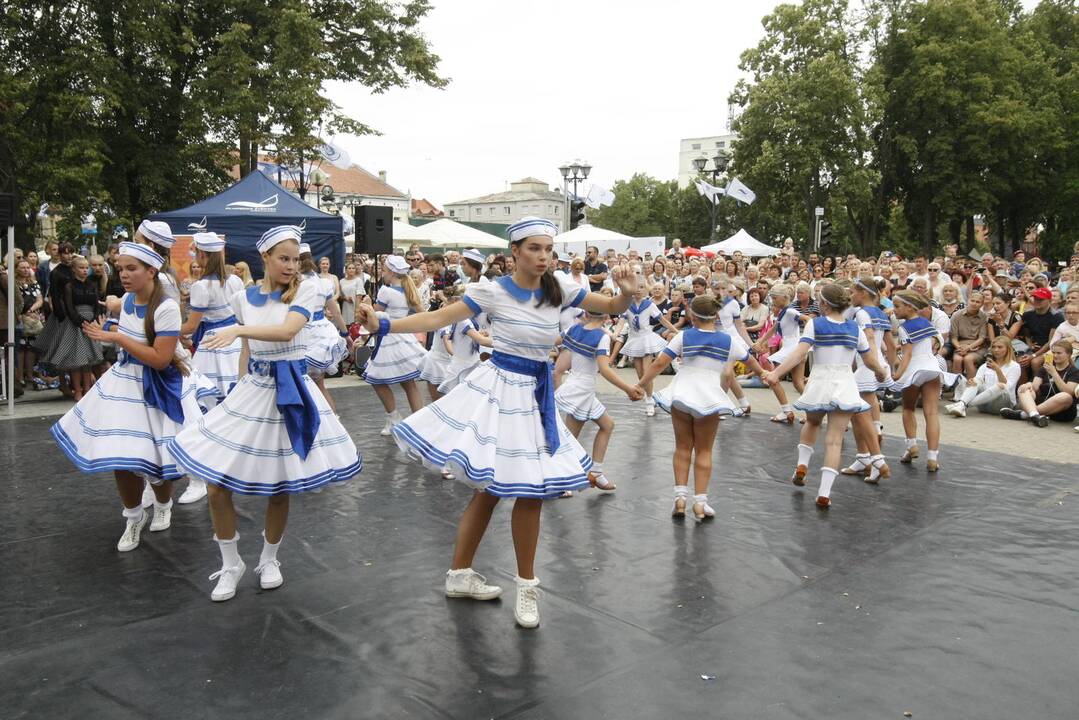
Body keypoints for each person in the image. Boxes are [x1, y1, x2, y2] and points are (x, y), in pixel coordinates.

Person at [356, 216, 638, 630]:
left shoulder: (561, 287)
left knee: (530, 492)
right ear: (515, 253)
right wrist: (384, 324)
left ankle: (526, 586)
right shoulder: (492, 290)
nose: (544, 256)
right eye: (535, 249)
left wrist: (626, 293)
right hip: (501, 390)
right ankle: (460, 575)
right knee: (491, 490)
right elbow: (436, 319)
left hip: (535, 395)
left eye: (549, 249)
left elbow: (612, 307)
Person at [168, 225, 363, 601]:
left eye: (294, 258)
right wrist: (240, 386)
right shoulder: (245, 296)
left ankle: (269, 558)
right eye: (283, 258)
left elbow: (289, 331)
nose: (291, 266)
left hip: (291, 389)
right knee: (216, 483)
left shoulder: (307, 289)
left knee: (279, 484)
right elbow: (247, 352)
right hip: (253, 390)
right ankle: (230, 563)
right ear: (266, 259)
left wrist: (238, 330)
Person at [50, 243, 208, 552]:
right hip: (124, 384)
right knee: (122, 456)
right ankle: (133, 517)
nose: (123, 274)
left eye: (131, 268)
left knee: (157, 457)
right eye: (120, 268)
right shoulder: (129, 300)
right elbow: (119, 312)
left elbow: (161, 359)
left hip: (155, 384)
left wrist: (117, 337)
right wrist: (109, 315)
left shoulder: (165, 308)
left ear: (151, 271)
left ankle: (163, 505)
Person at [635, 295, 764, 520]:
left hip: (683, 392)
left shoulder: (683, 337)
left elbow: (659, 363)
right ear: (715, 316)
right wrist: (766, 375)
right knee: (704, 450)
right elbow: (751, 361)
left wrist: (639, 385)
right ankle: (700, 502)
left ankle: (680, 499)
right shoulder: (728, 341)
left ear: (692, 316)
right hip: (709, 396)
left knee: (683, 447)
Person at [764, 284, 887, 508]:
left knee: (812, 422)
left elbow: (799, 353)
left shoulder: (815, 324)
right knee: (834, 440)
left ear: (824, 305)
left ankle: (802, 465)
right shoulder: (854, 328)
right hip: (844, 382)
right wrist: (880, 372)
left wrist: (775, 373)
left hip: (821, 380)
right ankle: (824, 492)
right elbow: (869, 360)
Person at [553, 307, 643, 494]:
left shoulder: (573, 329)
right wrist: (628, 388)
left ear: (585, 314)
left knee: (607, 425)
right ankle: (561, 480)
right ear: (606, 317)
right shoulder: (601, 337)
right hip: (581, 390)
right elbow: (604, 368)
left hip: (577, 386)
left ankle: (596, 472)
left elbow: (550, 342)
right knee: (571, 440)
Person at [362, 255, 428, 435]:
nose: (382, 274)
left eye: (383, 270)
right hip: (405, 338)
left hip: (389, 338)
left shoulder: (385, 291)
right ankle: (420, 422)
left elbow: (375, 318)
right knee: (409, 383)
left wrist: (366, 306)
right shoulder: (408, 290)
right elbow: (422, 314)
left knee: (375, 379)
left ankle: (394, 417)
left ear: (391, 272)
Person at [840, 277, 894, 483]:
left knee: (861, 415)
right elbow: (889, 344)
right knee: (857, 413)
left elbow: (870, 340)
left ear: (863, 293)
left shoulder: (862, 313)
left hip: (868, 365)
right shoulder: (880, 312)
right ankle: (863, 458)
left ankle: (874, 460)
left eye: (853, 292)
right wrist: (891, 367)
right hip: (872, 364)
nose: (851, 296)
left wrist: (875, 366)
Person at [179, 232, 245, 400]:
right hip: (235, 339)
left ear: (201, 254)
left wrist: (165, 330)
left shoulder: (201, 286)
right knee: (237, 387)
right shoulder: (235, 280)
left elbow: (191, 326)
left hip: (213, 342)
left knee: (210, 393)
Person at [891, 291, 948, 472]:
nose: (894, 310)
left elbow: (907, 355)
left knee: (908, 408)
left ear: (909, 307)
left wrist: (897, 375)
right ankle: (932, 457)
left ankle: (912, 446)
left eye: (897, 306)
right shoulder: (927, 322)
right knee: (931, 413)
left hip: (915, 369)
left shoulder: (904, 327)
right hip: (931, 367)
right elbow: (931, 342)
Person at [299, 243, 350, 409]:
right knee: (319, 385)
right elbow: (336, 312)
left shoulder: (295, 282)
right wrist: (345, 333)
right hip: (321, 331)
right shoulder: (323, 283)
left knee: (301, 385)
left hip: (302, 331)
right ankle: (332, 421)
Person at [50, 256, 105, 401]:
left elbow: (97, 305)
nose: (85, 270)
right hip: (75, 324)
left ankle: (87, 389)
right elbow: (69, 308)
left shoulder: (92, 285)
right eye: (81, 268)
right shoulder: (69, 286)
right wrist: (81, 322)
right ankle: (78, 390)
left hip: (91, 322)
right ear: (74, 269)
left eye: (87, 268)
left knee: (88, 359)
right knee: (76, 359)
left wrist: (94, 319)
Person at [619, 283, 676, 416]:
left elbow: (662, 320)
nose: (638, 290)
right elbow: (621, 321)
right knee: (640, 375)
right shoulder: (626, 305)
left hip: (647, 339)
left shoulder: (649, 305)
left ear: (645, 290)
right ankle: (652, 395)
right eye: (636, 288)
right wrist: (615, 334)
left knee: (646, 371)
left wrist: (676, 331)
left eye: (641, 288)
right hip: (634, 340)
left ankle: (649, 401)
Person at [1002, 339, 1079, 427]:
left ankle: (1024, 414)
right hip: (1041, 404)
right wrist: (1029, 384)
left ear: (1069, 354)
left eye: (1059, 353)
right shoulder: (1045, 368)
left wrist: (1054, 373)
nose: (1055, 355)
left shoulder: (1074, 372)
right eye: (1053, 353)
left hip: (1062, 411)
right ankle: (1035, 415)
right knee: (1023, 388)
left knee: (1065, 396)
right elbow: (1035, 387)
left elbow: (1069, 392)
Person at [945, 336, 1021, 417]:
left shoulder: (1015, 366)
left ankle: (962, 404)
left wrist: (997, 369)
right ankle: (962, 404)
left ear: (1008, 349)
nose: (996, 350)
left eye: (1000, 347)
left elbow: (1007, 387)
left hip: (1002, 405)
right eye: (994, 347)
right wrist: (971, 382)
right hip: (983, 404)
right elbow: (977, 381)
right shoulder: (985, 365)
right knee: (977, 381)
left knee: (1001, 386)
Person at [1019, 287, 1064, 378]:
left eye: (1041, 299)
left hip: (1050, 349)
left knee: (1035, 362)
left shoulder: (1056, 316)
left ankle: (1038, 388)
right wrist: (1030, 344)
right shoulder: (1028, 314)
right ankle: (1022, 388)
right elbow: (1026, 333)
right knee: (1021, 361)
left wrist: (1034, 355)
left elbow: (1051, 341)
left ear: (1049, 300)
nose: (1037, 301)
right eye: (1035, 298)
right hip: (1032, 347)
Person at [15, 259, 44, 390]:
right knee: (21, 349)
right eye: (22, 267)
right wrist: (24, 313)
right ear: (16, 269)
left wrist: (31, 310)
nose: (26, 270)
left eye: (27, 267)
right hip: (20, 318)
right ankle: (20, 376)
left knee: (32, 348)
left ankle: (30, 375)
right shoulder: (14, 283)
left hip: (33, 318)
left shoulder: (34, 283)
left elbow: (40, 300)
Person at [949, 290, 988, 378]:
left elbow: (982, 338)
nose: (974, 303)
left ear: (982, 304)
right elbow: (954, 337)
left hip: (978, 346)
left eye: (978, 302)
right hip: (960, 345)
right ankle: (958, 387)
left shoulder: (983, 317)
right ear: (968, 300)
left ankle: (972, 386)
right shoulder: (956, 315)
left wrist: (969, 347)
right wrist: (960, 348)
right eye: (972, 300)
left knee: (968, 359)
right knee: (957, 359)